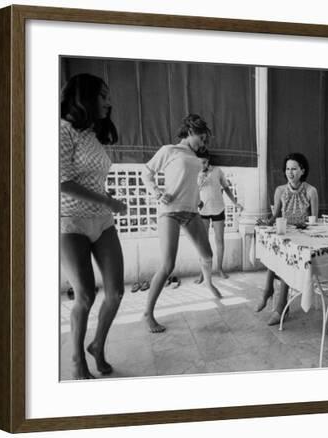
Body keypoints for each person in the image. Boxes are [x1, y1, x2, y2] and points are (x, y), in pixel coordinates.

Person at [60, 73, 127, 379]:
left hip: (102, 220)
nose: (108, 102)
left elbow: (92, 179)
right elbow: (62, 181)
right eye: (103, 95)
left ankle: (97, 345)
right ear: (84, 96)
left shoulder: (92, 134)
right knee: (85, 295)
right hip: (70, 221)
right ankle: (77, 360)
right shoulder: (62, 131)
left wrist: (107, 199)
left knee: (115, 292)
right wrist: (109, 201)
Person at [141, 114, 222, 333]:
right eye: (202, 138)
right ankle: (148, 313)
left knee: (208, 255)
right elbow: (146, 173)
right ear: (190, 131)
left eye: (205, 140)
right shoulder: (169, 150)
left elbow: (190, 183)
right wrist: (157, 193)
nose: (203, 143)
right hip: (170, 212)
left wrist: (198, 198)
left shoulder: (196, 157)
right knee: (168, 265)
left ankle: (208, 282)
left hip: (191, 212)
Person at [255, 153, 319, 325]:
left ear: (302, 171)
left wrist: (304, 229)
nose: (290, 172)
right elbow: (275, 216)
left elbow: (315, 221)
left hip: (302, 237)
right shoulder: (280, 191)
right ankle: (270, 294)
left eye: (294, 169)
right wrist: (265, 223)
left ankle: (279, 305)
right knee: (275, 251)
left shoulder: (311, 191)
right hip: (285, 233)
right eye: (287, 169)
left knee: (285, 258)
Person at [194, 150, 243, 282]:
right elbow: (192, 191)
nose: (202, 165)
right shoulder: (195, 173)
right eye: (200, 162)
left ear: (208, 160)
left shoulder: (217, 171)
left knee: (219, 240)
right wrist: (199, 183)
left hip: (218, 209)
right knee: (203, 243)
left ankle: (220, 269)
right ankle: (203, 272)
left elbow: (226, 188)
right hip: (203, 210)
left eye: (204, 162)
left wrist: (235, 202)